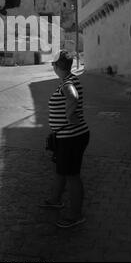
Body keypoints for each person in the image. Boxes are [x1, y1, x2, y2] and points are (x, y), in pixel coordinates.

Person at [43, 50, 90, 228]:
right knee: (62, 171)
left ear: (57, 66)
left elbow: (72, 95)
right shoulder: (68, 79)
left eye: (53, 64)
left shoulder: (68, 82)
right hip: (67, 136)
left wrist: (70, 115)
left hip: (72, 137)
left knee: (72, 176)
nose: (52, 67)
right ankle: (55, 199)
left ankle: (75, 215)